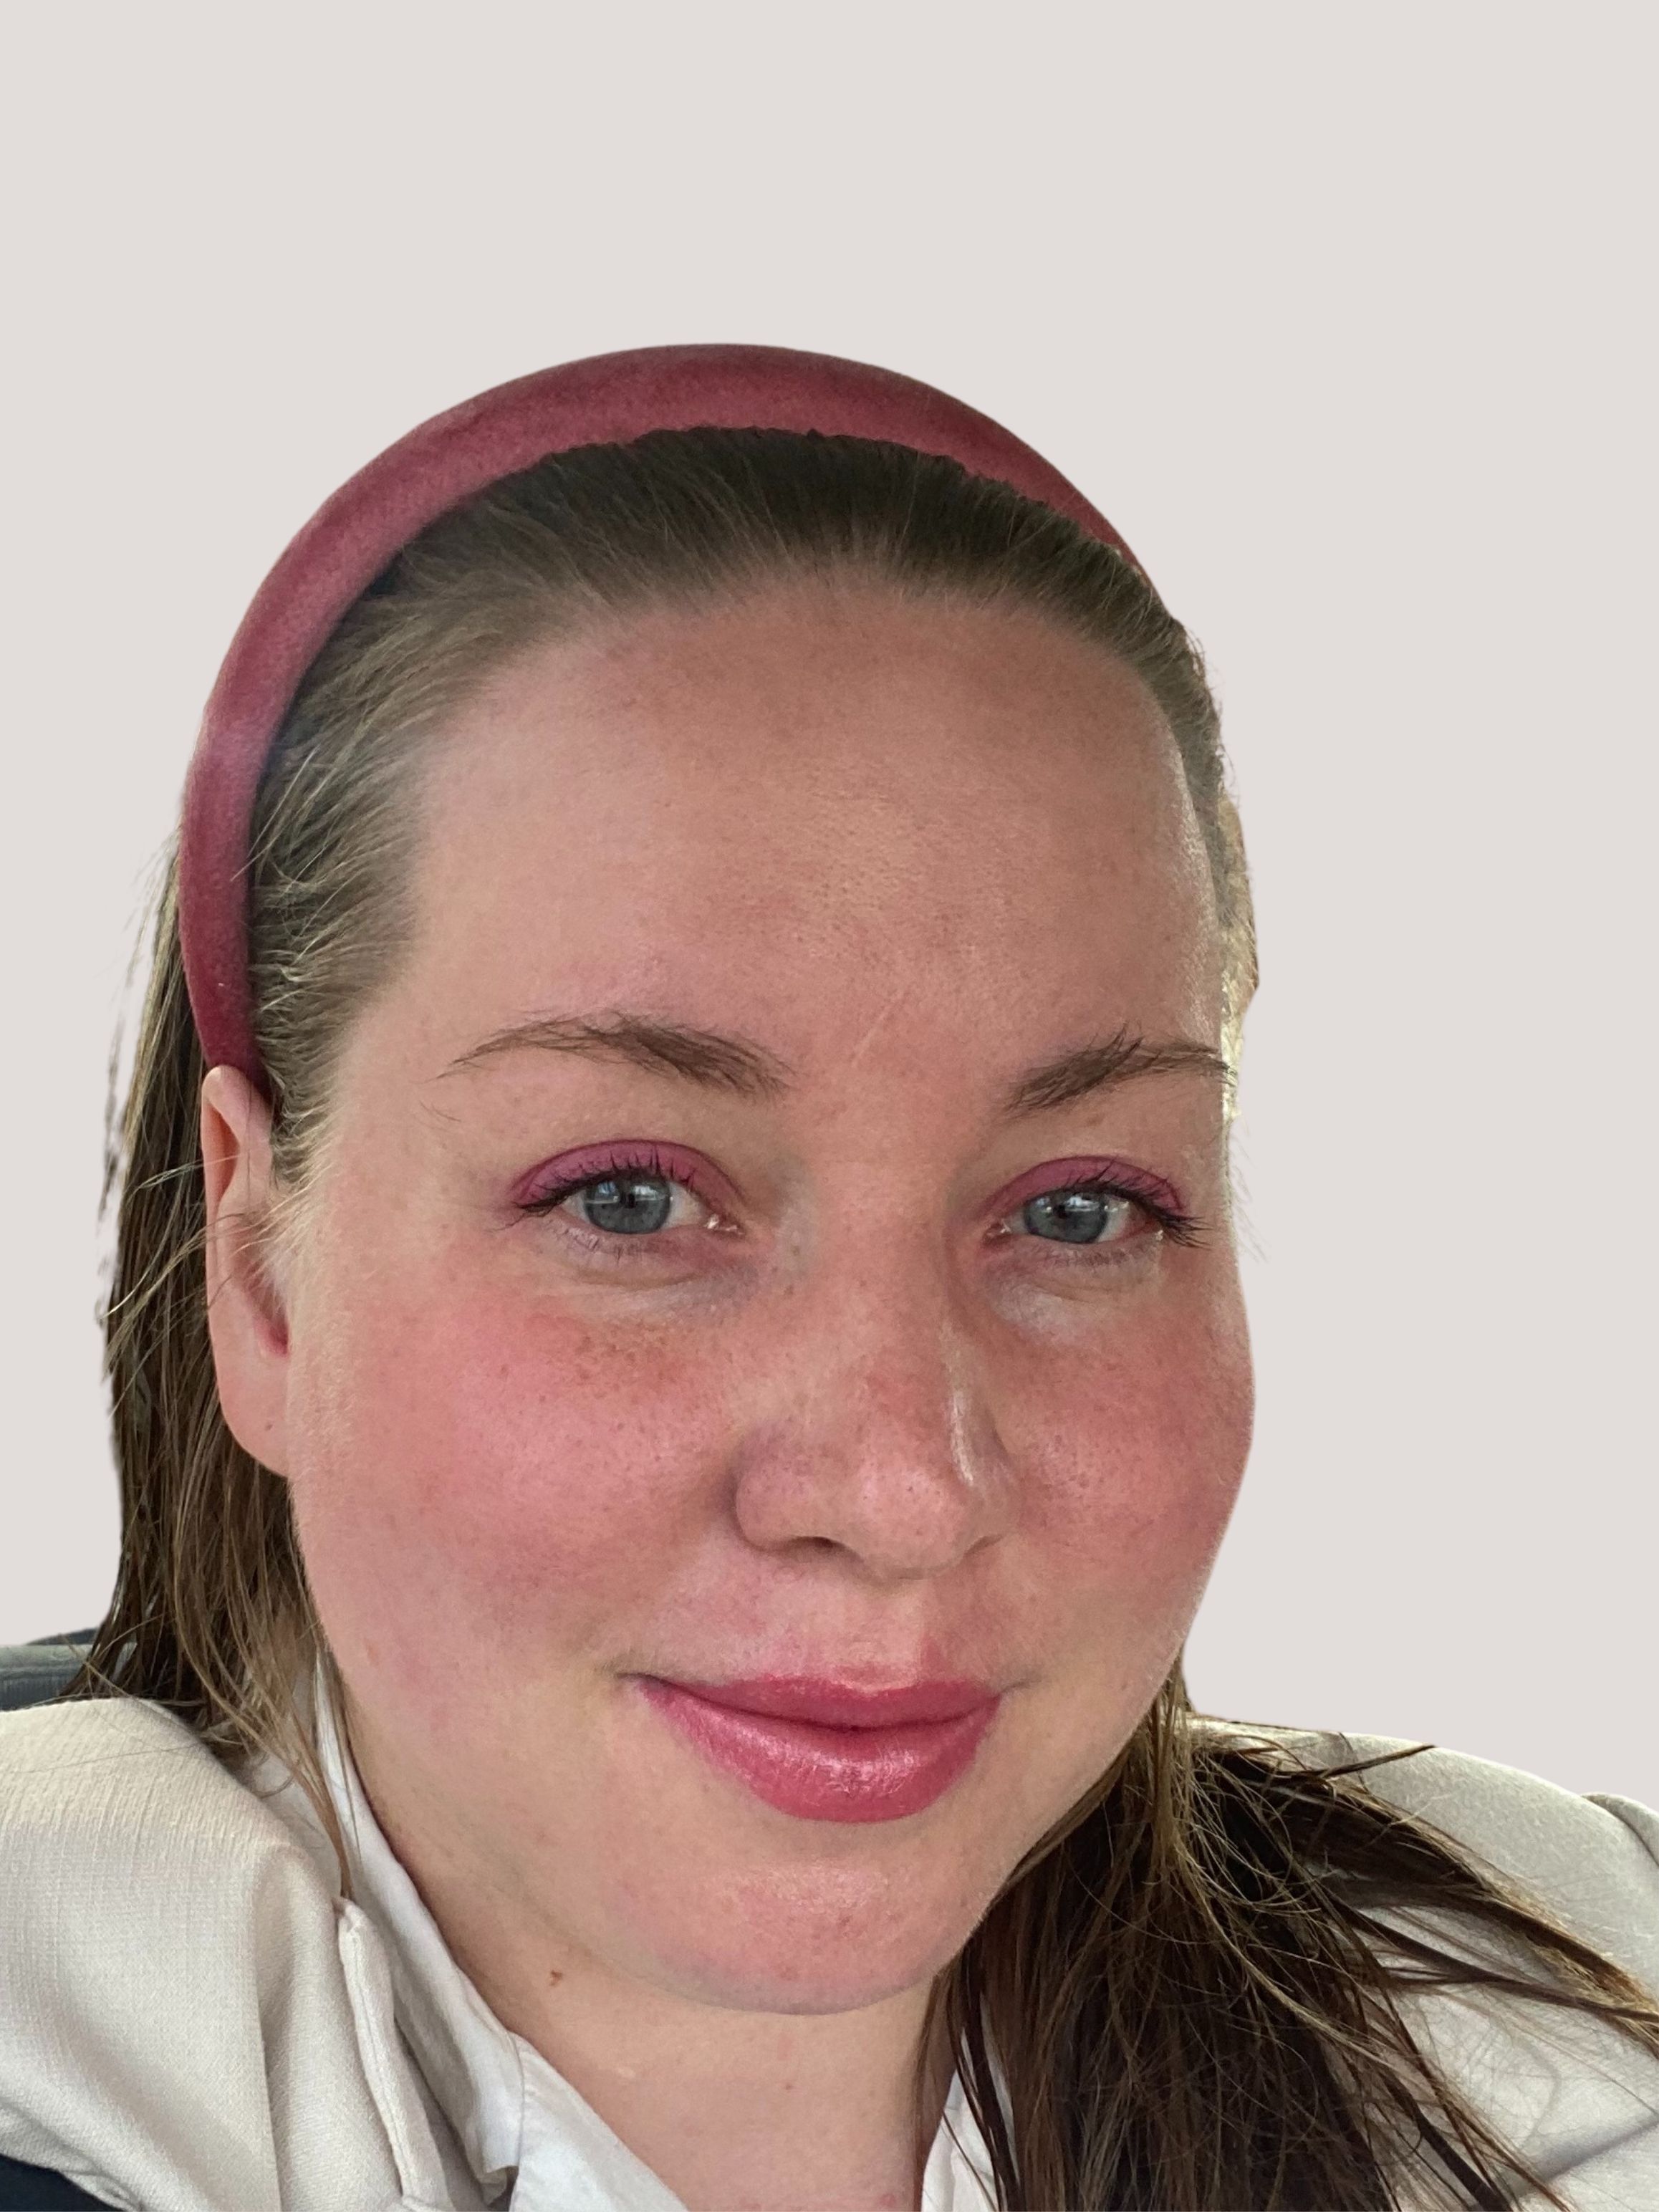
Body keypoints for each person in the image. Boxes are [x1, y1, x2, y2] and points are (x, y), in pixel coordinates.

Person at [1, 346, 1655, 2212]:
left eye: (1081, 1210)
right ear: (260, 1273)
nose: (900, 1491)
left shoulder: (1580, 2027)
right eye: (629, 1197)